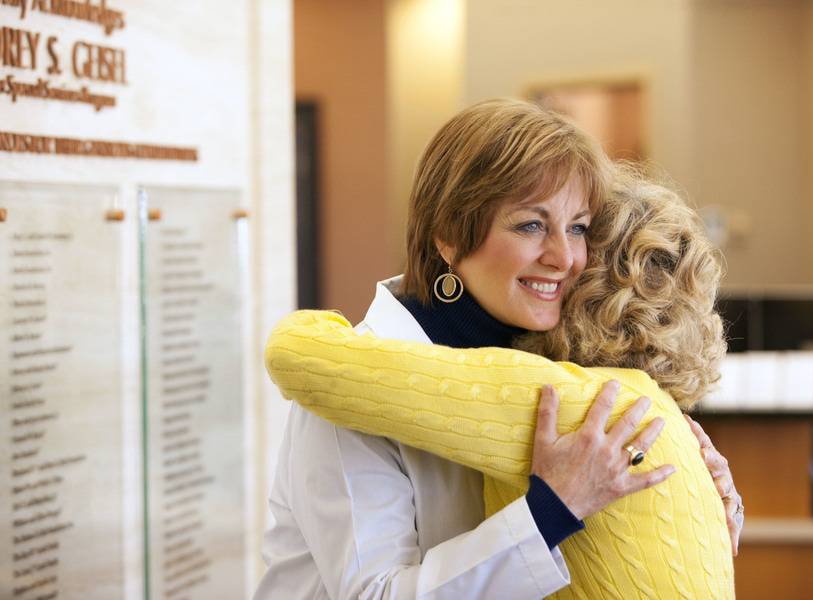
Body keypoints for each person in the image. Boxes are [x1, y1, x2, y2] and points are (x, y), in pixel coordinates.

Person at [255, 99, 739, 599]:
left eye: (577, 227)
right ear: (448, 234)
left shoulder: (544, 365)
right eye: (531, 225)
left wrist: (693, 497)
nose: (565, 257)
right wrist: (553, 510)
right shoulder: (349, 388)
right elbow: (373, 595)